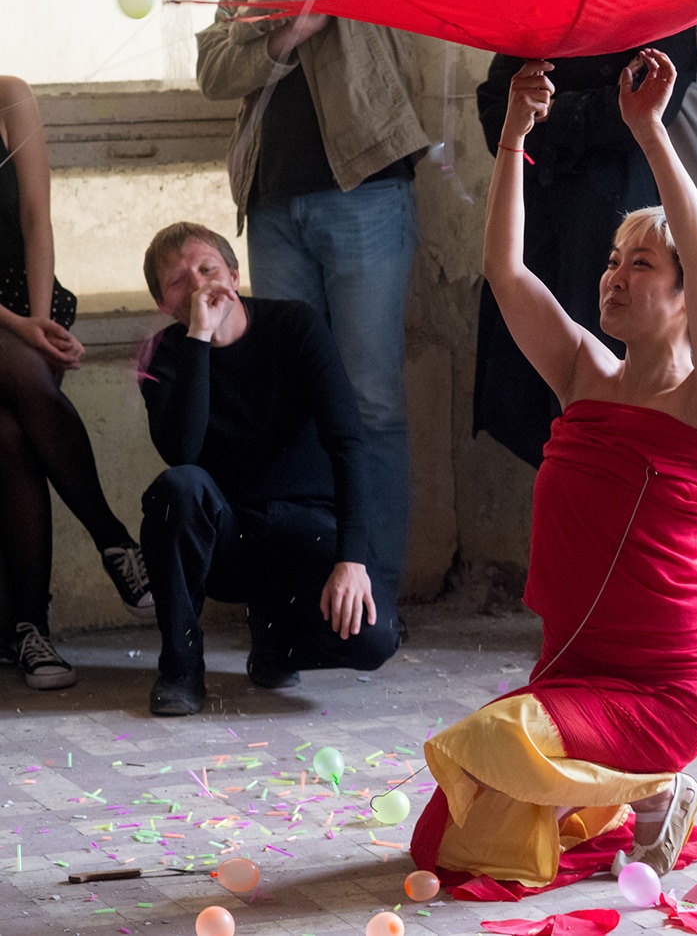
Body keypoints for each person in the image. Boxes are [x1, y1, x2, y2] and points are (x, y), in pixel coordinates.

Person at [411, 49, 697, 887]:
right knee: (446, 839)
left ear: (687, 298)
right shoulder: (581, 372)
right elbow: (506, 272)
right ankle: (638, 795)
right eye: (612, 260)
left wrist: (649, 131)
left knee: (490, 744)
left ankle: (651, 778)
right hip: (571, 670)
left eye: (642, 264)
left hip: (665, 689)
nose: (615, 277)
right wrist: (512, 138)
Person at [196, 0, 428, 616]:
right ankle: (301, 592)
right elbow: (211, 69)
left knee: (369, 399)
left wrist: (262, 13)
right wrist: (284, 33)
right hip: (270, 199)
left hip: (363, 185)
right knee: (291, 401)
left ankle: (375, 595)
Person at [475, 0, 697, 466]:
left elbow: (650, 99)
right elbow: (496, 103)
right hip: (542, 212)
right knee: (534, 381)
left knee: (611, 369)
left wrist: (552, 114)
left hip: (614, 211)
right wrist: (543, 115)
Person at [137, 222, 399, 717]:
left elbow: (348, 443)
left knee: (375, 638)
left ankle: (278, 640)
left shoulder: (294, 326)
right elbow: (182, 451)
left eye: (208, 269)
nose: (197, 284)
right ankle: (180, 667)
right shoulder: (164, 356)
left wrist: (351, 559)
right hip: (228, 537)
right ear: (164, 305)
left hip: (305, 524)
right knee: (178, 488)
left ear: (234, 277)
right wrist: (199, 338)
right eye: (178, 281)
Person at [0, 76, 153, 691]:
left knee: (11, 435)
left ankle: (29, 631)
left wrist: (39, 322)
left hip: (25, 303)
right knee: (20, 394)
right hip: (6, 320)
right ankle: (114, 539)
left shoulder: (10, 95)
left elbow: (36, 217)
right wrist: (22, 329)